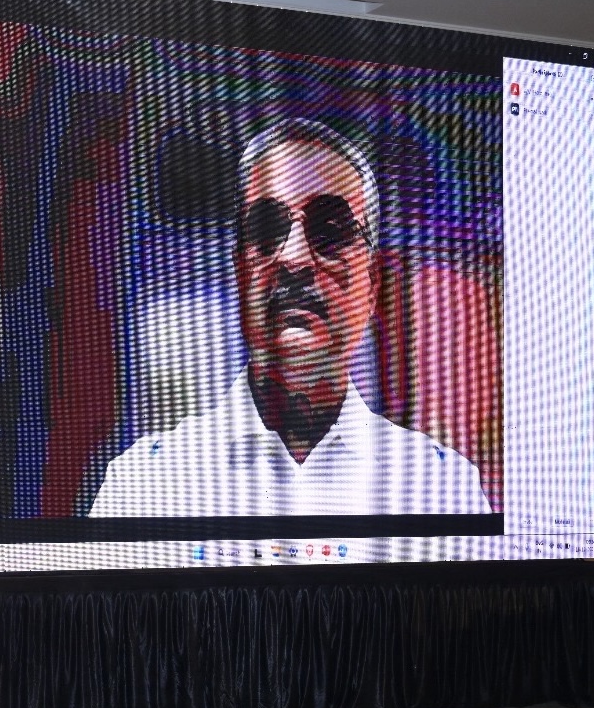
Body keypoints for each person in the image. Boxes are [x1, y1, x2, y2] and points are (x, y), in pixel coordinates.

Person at [90, 118, 490, 517]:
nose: (294, 258)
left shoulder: (443, 486)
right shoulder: (141, 483)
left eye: (330, 233)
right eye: (267, 231)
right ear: (240, 273)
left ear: (372, 285)